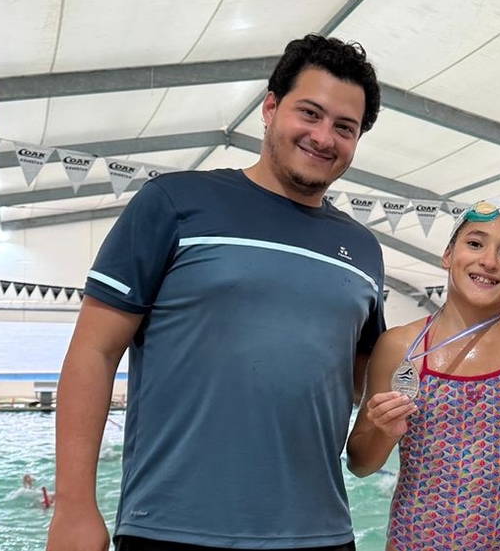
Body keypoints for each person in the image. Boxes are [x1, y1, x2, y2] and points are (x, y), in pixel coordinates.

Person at [46, 34, 384, 551]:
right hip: (171, 528)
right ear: (270, 108)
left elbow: (370, 373)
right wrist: (74, 507)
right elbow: (95, 351)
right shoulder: (175, 203)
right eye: (309, 113)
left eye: (345, 127)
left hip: (319, 532)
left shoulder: (362, 249)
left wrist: (493, 317)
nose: (323, 137)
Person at [346, 195, 500, 551]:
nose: (489, 261)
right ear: (447, 255)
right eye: (475, 244)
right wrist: (383, 431)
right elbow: (360, 464)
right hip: (413, 542)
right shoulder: (400, 345)